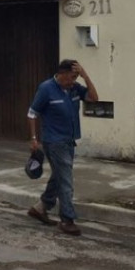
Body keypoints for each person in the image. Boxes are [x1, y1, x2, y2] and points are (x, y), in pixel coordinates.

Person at [26, 59, 98, 236]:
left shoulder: (74, 88)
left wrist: (85, 75)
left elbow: (94, 98)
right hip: (54, 141)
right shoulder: (46, 88)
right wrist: (34, 139)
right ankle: (67, 219)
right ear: (61, 73)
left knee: (59, 176)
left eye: (76, 77)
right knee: (66, 180)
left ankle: (40, 207)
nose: (73, 81)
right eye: (71, 77)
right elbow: (32, 113)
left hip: (69, 140)